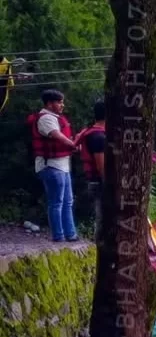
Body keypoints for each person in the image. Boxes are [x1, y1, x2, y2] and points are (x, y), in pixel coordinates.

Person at [27, 89, 78, 242]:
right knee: (56, 203)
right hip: (50, 166)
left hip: (62, 165)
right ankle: (58, 236)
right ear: (49, 104)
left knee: (68, 201)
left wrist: (75, 143)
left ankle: (71, 234)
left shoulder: (57, 118)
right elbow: (57, 136)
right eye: (59, 102)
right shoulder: (46, 119)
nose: (62, 105)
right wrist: (74, 145)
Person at [76, 100, 107, 242]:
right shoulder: (98, 137)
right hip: (99, 182)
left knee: (103, 218)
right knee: (103, 219)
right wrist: (110, 186)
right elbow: (101, 167)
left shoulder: (93, 133)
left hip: (95, 181)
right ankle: (99, 247)